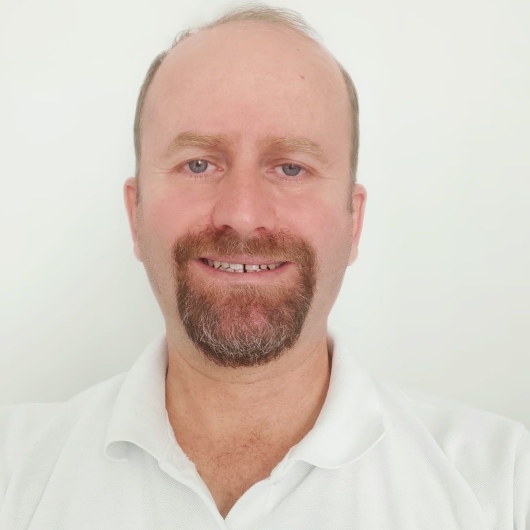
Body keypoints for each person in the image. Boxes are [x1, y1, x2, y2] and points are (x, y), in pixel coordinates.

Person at [0, 4, 528, 529]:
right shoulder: (13, 472)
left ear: (354, 223)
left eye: (291, 168)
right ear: (134, 215)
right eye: (198, 164)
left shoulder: (504, 485)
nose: (243, 214)